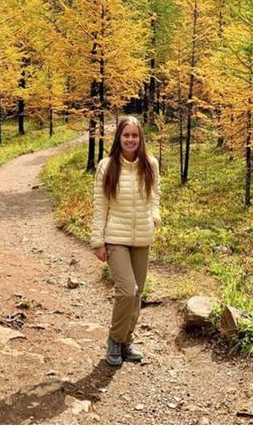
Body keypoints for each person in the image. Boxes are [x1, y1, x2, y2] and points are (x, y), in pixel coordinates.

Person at [90, 116, 161, 367]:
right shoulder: (107, 166)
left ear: (140, 138)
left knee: (138, 293)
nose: (130, 139)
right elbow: (100, 205)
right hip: (115, 238)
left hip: (142, 236)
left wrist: (154, 216)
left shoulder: (150, 164)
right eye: (126, 135)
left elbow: (155, 196)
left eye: (135, 135)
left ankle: (126, 341)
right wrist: (98, 241)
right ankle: (115, 339)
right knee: (127, 290)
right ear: (119, 138)